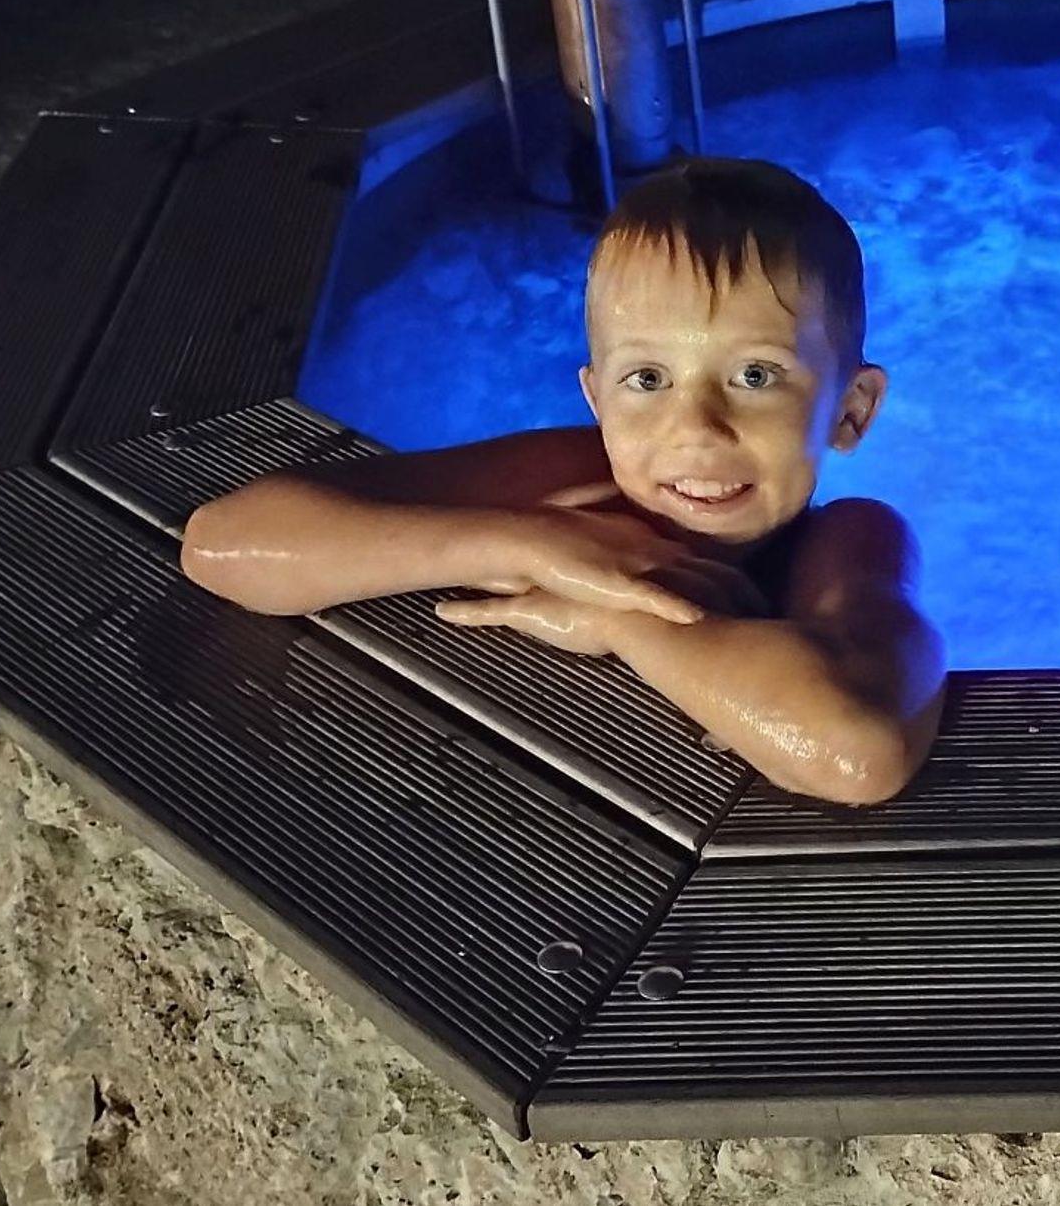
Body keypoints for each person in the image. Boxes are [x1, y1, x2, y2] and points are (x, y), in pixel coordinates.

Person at [182, 156, 946, 805]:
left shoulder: (849, 542)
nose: (695, 428)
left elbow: (858, 755)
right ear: (597, 399)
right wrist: (527, 544)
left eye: (755, 375)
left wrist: (618, 618)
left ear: (851, 409)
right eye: (647, 378)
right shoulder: (567, 482)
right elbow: (220, 544)